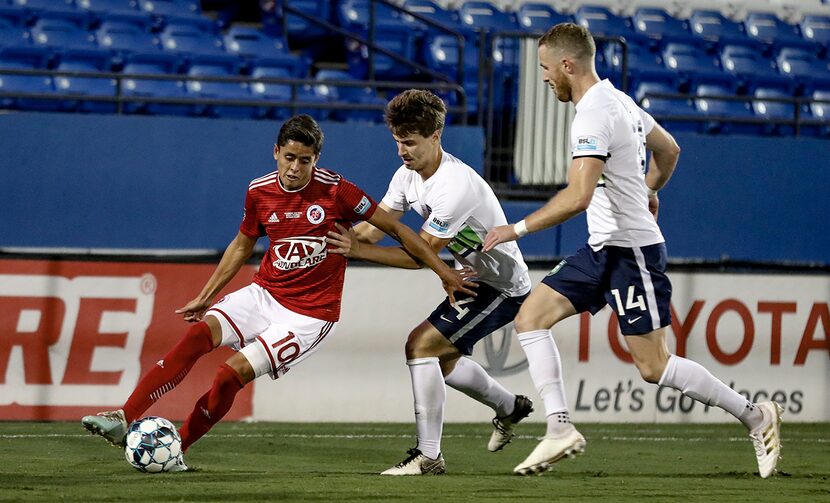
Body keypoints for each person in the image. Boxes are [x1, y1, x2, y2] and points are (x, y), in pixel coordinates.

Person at [82, 114, 474, 469]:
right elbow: (241, 245)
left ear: (316, 159)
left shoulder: (337, 191)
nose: (295, 168)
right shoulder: (259, 191)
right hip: (264, 294)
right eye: (289, 157)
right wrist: (206, 295)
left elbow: (399, 230)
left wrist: (442, 270)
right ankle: (124, 417)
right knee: (197, 336)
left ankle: (177, 451)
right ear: (276, 152)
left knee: (228, 375)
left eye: (305, 160)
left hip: (309, 316)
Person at [483, 23, 783, 478]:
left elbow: (578, 196)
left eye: (545, 68)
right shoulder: (618, 99)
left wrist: (516, 228)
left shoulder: (593, 115)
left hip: (632, 252)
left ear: (567, 65)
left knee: (652, 365)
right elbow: (670, 150)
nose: (544, 77)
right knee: (531, 318)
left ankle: (755, 415)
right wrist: (646, 190)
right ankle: (560, 427)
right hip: (602, 247)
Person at [325, 89, 534, 476]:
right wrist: (338, 238)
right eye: (397, 142)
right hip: (471, 278)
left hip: (500, 287)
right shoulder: (407, 176)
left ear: (435, 136)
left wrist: (352, 250)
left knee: (420, 345)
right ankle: (510, 407)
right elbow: (375, 229)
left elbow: (418, 255)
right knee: (445, 359)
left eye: (410, 142)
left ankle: (429, 457)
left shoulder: (454, 186)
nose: (402, 151)